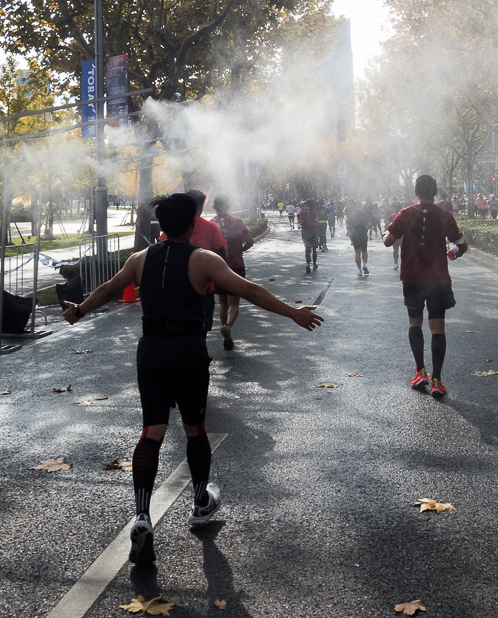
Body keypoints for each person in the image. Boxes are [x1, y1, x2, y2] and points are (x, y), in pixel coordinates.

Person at [62, 193, 323, 565]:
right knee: (194, 430)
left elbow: (107, 289)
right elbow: (248, 290)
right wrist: (293, 313)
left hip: (151, 351)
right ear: (192, 223)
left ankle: (141, 515)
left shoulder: (140, 259)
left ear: (162, 225)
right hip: (187, 352)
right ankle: (200, 502)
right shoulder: (203, 259)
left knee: (151, 431)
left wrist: (79, 310)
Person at [383, 175, 467, 399]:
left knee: (415, 323)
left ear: (415, 192)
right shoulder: (445, 216)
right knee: (438, 328)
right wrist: (452, 253)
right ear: (436, 192)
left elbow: (387, 241)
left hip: (412, 277)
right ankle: (437, 380)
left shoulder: (405, 214)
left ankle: (420, 372)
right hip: (438, 279)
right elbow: (462, 246)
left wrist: (386, 231)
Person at [159, 190, 227, 333]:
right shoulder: (211, 227)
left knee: (175, 328)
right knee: (200, 330)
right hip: (204, 289)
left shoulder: (174, 226)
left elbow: (161, 248)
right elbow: (221, 254)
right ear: (201, 206)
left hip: (173, 287)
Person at [211, 195, 256, 351]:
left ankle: (225, 326)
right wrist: (239, 251)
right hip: (236, 266)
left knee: (223, 302)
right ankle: (228, 327)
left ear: (213, 207)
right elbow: (250, 241)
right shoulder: (237, 222)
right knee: (234, 303)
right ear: (228, 206)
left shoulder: (211, 225)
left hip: (217, 269)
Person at [347, 201, 372, 277]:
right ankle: (365, 265)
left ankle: (359, 270)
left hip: (355, 235)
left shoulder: (351, 215)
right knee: (364, 250)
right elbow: (369, 224)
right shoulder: (365, 215)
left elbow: (348, 226)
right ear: (361, 206)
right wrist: (366, 230)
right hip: (363, 235)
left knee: (357, 252)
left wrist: (350, 234)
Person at [299, 200, 319, 273]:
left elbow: (300, 221)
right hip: (313, 232)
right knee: (314, 248)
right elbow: (317, 221)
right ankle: (314, 264)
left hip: (305, 232)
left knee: (307, 248)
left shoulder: (303, 211)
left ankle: (308, 264)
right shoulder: (315, 212)